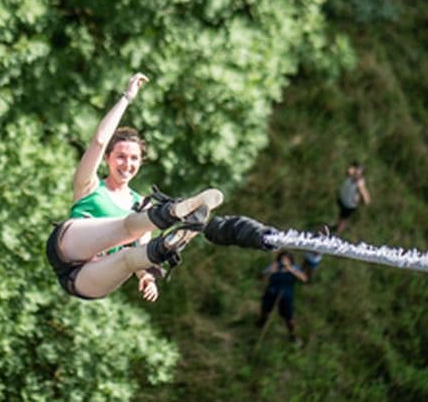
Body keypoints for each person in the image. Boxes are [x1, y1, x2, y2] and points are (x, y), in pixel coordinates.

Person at [45, 73, 224, 301]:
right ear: (107, 158)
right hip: (67, 248)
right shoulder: (88, 185)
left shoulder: (140, 203)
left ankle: (168, 243)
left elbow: (141, 249)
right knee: (129, 224)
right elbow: (99, 140)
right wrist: (127, 98)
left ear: (140, 163)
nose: (126, 164)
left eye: (133, 159)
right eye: (120, 156)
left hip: (86, 280)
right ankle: (172, 211)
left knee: (130, 256)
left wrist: (146, 276)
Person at [255, 251, 307, 343]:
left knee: (289, 318)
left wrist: (291, 270)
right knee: (265, 310)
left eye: (286, 259)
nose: (284, 261)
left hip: (286, 295)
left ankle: (293, 335)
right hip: (271, 292)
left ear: (290, 260)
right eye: (282, 258)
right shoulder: (274, 266)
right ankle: (261, 323)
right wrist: (269, 271)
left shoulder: (294, 268)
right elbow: (260, 277)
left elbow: (304, 279)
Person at [334, 161, 372, 234]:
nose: (355, 173)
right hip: (342, 200)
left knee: (342, 220)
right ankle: (333, 230)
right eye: (355, 171)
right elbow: (349, 170)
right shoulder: (351, 175)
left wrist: (360, 198)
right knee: (338, 219)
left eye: (357, 173)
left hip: (348, 205)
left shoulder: (360, 184)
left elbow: (367, 200)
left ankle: (336, 234)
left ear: (361, 175)